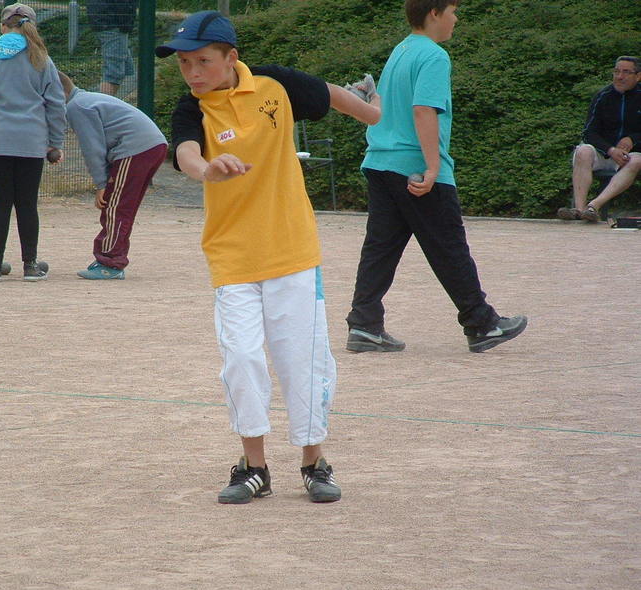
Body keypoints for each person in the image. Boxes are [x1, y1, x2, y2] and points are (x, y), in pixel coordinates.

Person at [156, 11, 381, 504]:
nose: (192, 72)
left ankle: (313, 463)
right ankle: (254, 468)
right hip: (232, 256)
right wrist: (207, 169)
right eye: (184, 63)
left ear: (231, 58)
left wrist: (374, 113)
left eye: (203, 61)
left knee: (302, 360)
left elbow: (333, 96)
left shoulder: (276, 85)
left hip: (292, 250)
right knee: (240, 359)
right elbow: (186, 152)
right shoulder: (190, 109)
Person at [344, 0, 527, 355]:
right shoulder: (433, 55)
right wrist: (432, 168)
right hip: (414, 166)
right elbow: (423, 109)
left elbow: (387, 107)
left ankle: (364, 324)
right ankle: (482, 323)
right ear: (434, 13)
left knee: (380, 249)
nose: (456, 19)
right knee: (449, 246)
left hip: (381, 162)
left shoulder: (401, 50)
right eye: (453, 11)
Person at [0, 3, 66, 282]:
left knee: (0, 204)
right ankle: (30, 265)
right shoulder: (42, 58)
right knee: (27, 204)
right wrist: (54, 142)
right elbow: (56, 104)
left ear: (2, 26)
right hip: (32, 142)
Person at [58, 72, 167, 280]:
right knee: (121, 204)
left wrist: (101, 183)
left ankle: (110, 262)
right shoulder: (85, 99)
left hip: (134, 149)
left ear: (59, 93)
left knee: (116, 207)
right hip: (150, 146)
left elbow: (93, 148)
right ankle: (111, 257)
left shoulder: (76, 107)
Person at [557, 56, 641, 223]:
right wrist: (610, 150)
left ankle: (594, 206)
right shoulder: (603, 96)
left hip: (630, 156)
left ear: (638, 76)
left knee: (637, 161)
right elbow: (589, 132)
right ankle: (579, 210)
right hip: (605, 152)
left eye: (626, 72)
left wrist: (633, 139)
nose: (620, 76)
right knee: (583, 151)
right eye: (616, 72)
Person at [86, 0, 136, 96]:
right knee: (113, 74)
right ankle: (104, 108)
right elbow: (122, 5)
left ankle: (109, 102)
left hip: (106, 21)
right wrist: (126, 23)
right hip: (113, 24)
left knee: (124, 67)